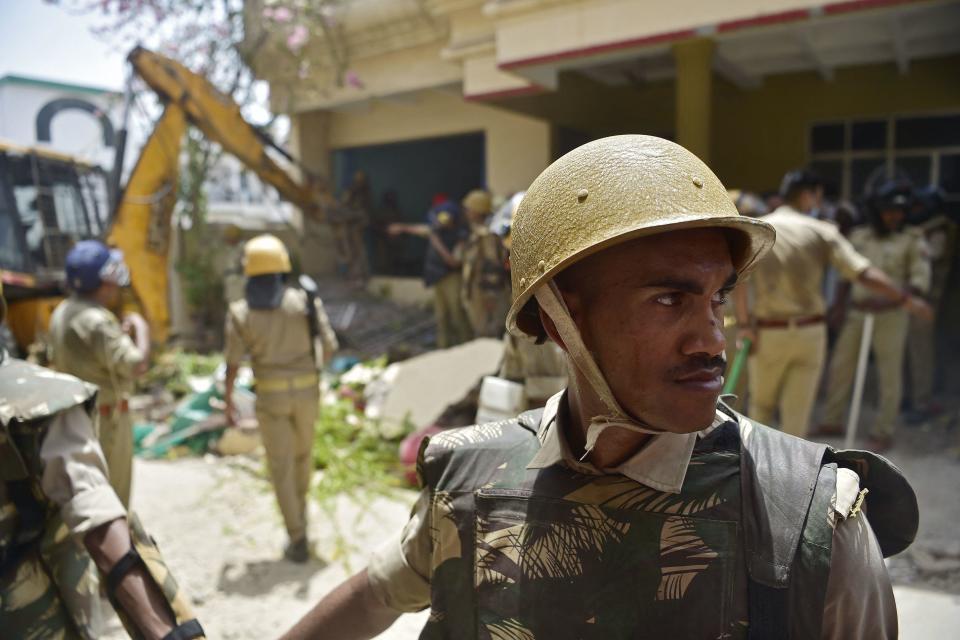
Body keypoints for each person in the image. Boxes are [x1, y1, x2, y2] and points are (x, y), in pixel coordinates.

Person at [282, 136, 917, 639]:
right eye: (668, 299)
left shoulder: (809, 516)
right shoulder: (470, 481)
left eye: (717, 298)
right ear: (559, 318)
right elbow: (374, 595)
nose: (714, 342)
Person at [0, 278, 205, 640]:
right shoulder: (92, 325)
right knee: (110, 501)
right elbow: (97, 516)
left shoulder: (61, 312)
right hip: (30, 616)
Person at [734, 170, 930, 439]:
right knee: (797, 415)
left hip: (767, 334)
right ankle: (787, 478)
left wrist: (744, 325)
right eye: (818, 195)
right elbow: (863, 273)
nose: (820, 202)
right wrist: (907, 300)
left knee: (760, 409)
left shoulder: (759, 229)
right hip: (810, 334)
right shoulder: (822, 231)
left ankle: (753, 472)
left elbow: (740, 281)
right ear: (807, 194)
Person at [223, 234, 338, 563]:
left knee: (281, 467)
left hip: (271, 399)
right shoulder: (304, 301)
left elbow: (232, 364)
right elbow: (329, 347)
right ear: (282, 267)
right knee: (303, 460)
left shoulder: (240, 311)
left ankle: (296, 535)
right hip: (307, 395)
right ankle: (302, 523)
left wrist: (230, 401)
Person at [820, 180, 931, 452]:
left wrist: (897, 299)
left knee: (889, 374)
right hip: (857, 313)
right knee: (841, 366)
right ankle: (832, 420)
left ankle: (883, 431)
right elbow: (847, 276)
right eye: (889, 210)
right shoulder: (859, 237)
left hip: (892, 315)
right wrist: (838, 306)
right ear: (876, 210)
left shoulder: (912, 238)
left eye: (899, 211)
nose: (895, 216)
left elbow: (918, 280)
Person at [49, 240, 149, 508]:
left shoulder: (61, 312)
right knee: (114, 493)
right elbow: (137, 365)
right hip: (109, 419)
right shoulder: (98, 320)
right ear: (103, 281)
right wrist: (141, 329)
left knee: (86, 491)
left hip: (77, 416)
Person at [390, 195, 473, 348]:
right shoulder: (436, 230)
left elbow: (454, 262)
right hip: (438, 279)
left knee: (457, 315)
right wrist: (401, 228)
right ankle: (443, 349)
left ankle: (466, 347)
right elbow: (420, 229)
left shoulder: (460, 235)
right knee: (441, 318)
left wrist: (436, 243)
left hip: (451, 279)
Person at [904, 186, 956, 422]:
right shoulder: (926, 230)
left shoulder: (939, 232)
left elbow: (930, 258)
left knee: (921, 354)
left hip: (926, 302)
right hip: (914, 301)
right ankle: (911, 397)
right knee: (910, 353)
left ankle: (921, 403)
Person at [460, 189, 511, 338]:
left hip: (486, 296)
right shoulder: (477, 232)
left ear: (477, 211)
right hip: (477, 293)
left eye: (469, 209)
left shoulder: (487, 235)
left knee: (489, 335)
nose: (467, 212)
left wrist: (490, 297)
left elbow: (492, 268)